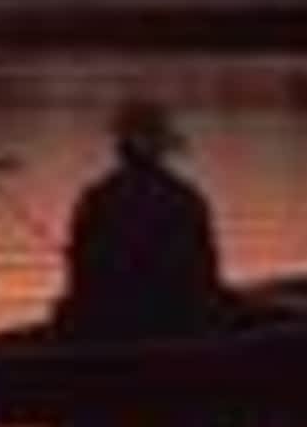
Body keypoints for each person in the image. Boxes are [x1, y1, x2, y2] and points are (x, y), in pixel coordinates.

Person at [55, 100, 227, 340]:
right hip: (167, 322)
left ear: (121, 150)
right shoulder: (183, 199)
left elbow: (80, 272)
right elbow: (202, 272)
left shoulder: (96, 197)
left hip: (99, 320)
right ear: (162, 150)